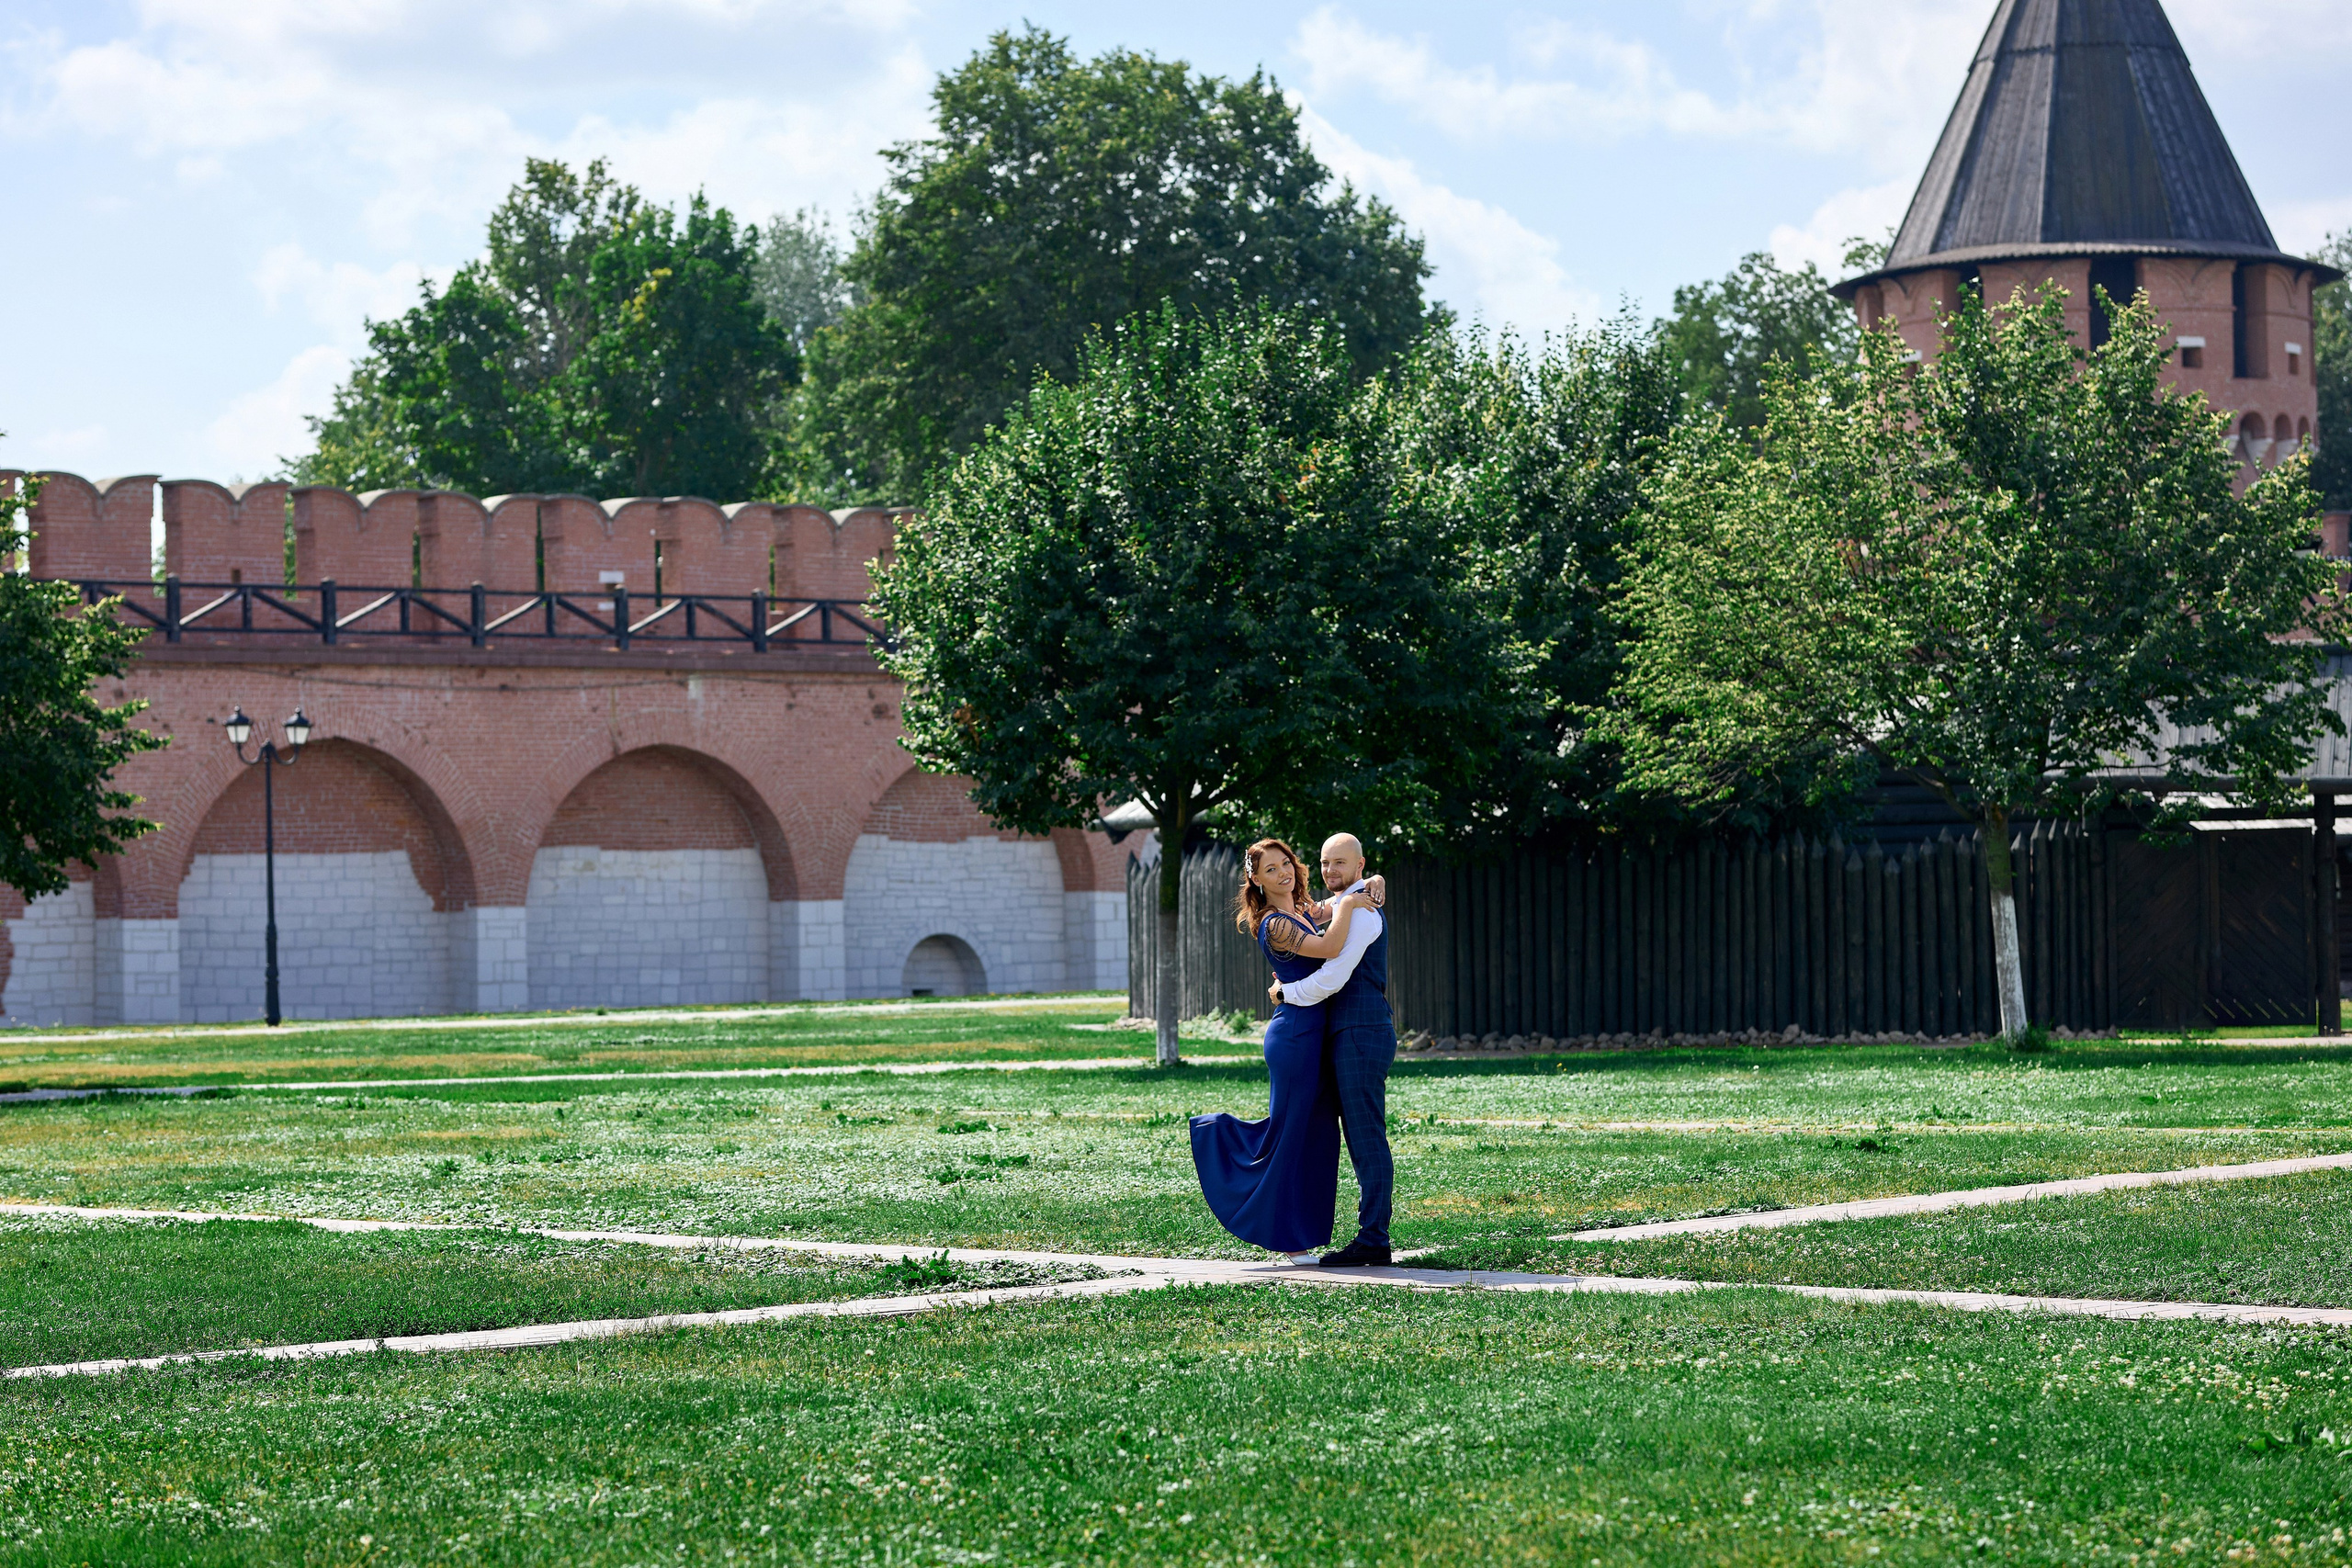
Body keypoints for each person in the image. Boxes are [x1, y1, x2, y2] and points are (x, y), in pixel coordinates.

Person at [1190, 839, 1381, 1263]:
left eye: (1286, 863)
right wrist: (1351, 904)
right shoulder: (1274, 923)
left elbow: (1346, 895)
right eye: (1271, 870)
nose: (1283, 873)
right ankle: (1285, 1235)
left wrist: (1374, 880)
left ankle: (1302, 1230)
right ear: (1256, 880)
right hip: (1294, 1036)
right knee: (1291, 1132)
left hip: (1318, 1034)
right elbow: (1329, 948)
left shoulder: (1304, 910)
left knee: (1315, 1135)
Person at [1271, 832, 1396, 1267]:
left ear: (1359, 865)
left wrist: (1285, 993)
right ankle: (1366, 1235)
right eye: (1325, 863)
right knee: (1355, 1136)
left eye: (1340, 863)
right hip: (1345, 1032)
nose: (1330, 871)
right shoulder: (1347, 903)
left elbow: (1332, 978)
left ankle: (1374, 1240)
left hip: (1361, 1032)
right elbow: (1316, 912)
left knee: (1365, 1136)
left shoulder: (1362, 913)